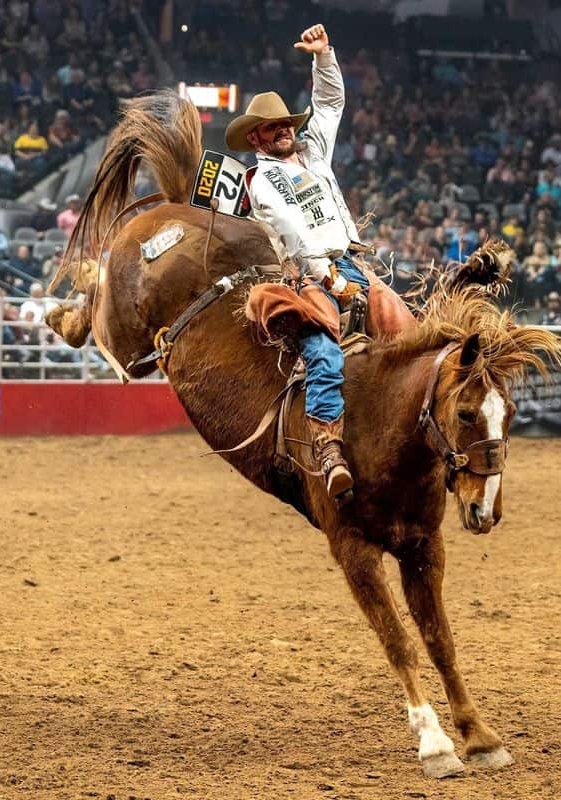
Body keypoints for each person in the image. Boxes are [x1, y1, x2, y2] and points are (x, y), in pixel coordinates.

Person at [225, 22, 364, 503]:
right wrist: (329, 277)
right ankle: (327, 447)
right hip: (310, 275)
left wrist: (324, 57)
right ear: (257, 139)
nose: (284, 129)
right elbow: (292, 231)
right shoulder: (262, 180)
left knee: (404, 328)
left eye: (287, 123)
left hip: (351, 263)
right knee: (324, 350)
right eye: (273, 127)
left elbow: (330, 104)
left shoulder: (315, 151)